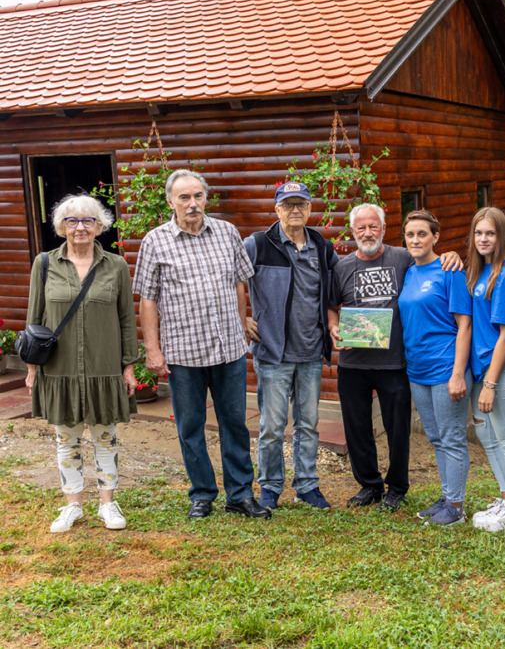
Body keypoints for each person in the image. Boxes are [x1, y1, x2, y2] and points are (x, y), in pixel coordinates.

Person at [134, 169, 270, 520]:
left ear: (205, 198)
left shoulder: (227, 233)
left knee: (235, 423)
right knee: (190, 425)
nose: (192, 204)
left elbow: (240, 284)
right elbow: (148, 300)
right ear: (171, 202)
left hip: (227, 349)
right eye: (184, 197)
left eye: (197, 196)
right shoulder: (155, 241)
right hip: (183, 352)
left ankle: (239, 494)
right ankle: (203, 494)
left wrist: (241, 326)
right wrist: (153, 349)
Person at [328, 203, 460, 513]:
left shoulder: (403, 258)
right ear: (353, 231)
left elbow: (434, 261)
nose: (367, 232)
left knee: (397, 428)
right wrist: (334, 326)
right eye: (361, 228)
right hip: (353, 364)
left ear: (384, 230)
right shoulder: (342, 267)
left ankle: (397, 487)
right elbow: (332, 307)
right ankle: (369, 484)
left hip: (395, 363)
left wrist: (452, 255)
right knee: (357, 428)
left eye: (373, 226)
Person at [25, 195, 137, 533]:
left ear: (100, 226)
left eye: (88, 220)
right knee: (66, 439)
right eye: (72, 221)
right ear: (61, 227)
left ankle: (108, 504)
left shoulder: (116, 266)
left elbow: (126, 319)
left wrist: (129, 365)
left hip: (104, 367)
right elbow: (34, 319)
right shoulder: (43, 264)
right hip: (60, 370)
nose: (80, 227)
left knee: (106, 438)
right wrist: (31, 370)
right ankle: (72, 504)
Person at [243, 181, 338, 511]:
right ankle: (269, 486)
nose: (295, 210)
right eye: (288, 205)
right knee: (271, 427)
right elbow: (228, 278)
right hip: (273, 353)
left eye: (301, 204)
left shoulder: (322, 247)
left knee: (308, 424)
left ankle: (307, 485)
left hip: (311, 353)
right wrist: (242, 317)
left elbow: (335, 289)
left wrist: (334, 322)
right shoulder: (258, 244)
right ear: (277, 209)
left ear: (310, 209)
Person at [398, 210, 474, 525]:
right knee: (436, 437)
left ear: (436, 237)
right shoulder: (408, 272)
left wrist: (458, 373)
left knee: (452, 436)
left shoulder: (449, 270)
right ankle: (447, 497)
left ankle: (455, 509)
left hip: (446, 368)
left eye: (422, 234)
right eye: (410, 234)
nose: (415, 240)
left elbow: (465, 324)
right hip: (417, 370)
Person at [465, 207, 505, 533]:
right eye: (479, 233)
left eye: (490, 233)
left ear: (502, 236)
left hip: (499, 368)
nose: (484, 239)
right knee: (485, 432)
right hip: (480, 367)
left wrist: (491, 383)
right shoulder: (481, 271)